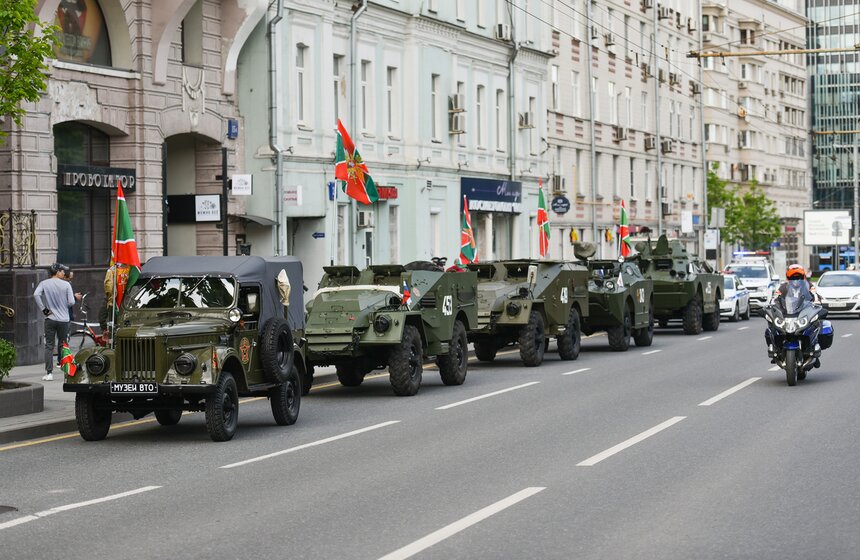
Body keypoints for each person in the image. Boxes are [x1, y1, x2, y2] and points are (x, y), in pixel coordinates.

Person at [765, 264, 824, 363]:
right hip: (787, 313)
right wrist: (771, 304)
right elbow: (775, 297)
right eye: (793, 278)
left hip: (803, 313)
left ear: (802, 277)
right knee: (771, 328)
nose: (796, 280)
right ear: (789, 278)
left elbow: (815, 295)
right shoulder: (783, 286)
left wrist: (817, 302)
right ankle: (776, 350)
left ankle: (813, 349)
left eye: (798, 278)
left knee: (816, 324)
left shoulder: (809, 285)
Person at [34, 263, 79, 380]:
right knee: (63, 344)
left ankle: (49, 373)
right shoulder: (66, 284)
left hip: (50, 318)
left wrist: (44, 310)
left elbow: (36, 294)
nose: (64, 273)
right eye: (62, 271)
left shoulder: (44, 283)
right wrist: (64, 305)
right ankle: (66, 370)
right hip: (64, 319)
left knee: (49, 346)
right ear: (57, 272)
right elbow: (71, 302)